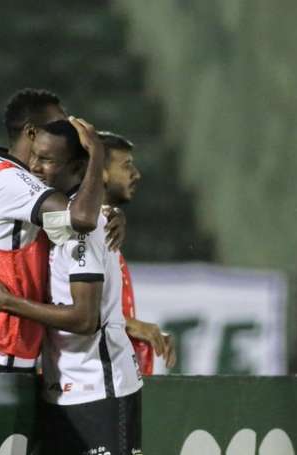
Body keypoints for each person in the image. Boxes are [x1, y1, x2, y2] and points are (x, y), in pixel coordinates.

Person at [0, 120, 143, 455]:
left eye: (47, 160)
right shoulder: (59, 217)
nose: (33, 167)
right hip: (63, 389)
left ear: (78, 167)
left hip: (100, 391)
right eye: (34, 156)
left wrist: (5, 301)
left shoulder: (85, 229)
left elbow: (83, 319)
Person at [0, 88, 113, 373]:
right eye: (58, 122)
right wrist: (97, 153)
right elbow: (82, 217)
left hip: (5, 354)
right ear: (32, 133)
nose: (69, 129)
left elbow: (81, 216)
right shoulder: (12, 181)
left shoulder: (15, 180)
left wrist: (112, 213)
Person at [99, 131, 176, 375]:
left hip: (113, 378)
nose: (136, 174)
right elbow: (72, 309)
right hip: (92, 384)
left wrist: (136, 330)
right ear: (101, 172)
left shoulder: (105, 224)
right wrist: (133, 326)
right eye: (126, 165)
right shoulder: (82, 229)